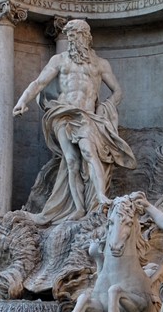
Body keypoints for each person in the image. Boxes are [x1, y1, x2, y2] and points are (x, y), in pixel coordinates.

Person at [13, 19, 136, 223]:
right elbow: (40, 82)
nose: (72, 39)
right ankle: (79, 208)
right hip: (62, 113)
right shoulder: (59, 60)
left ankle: (100, 198)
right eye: (69, 36)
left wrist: (104, 108)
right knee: (71, 160)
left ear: (86, 37)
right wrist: (22, 101)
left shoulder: (100, 64)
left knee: (88, 152)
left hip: (86, 115)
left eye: (75, 35)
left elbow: (117, 91)